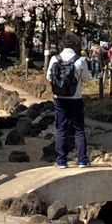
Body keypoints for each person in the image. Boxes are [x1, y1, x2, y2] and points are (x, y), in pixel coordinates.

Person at [46, 34, 92, 169]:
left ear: (63, 45)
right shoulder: (80, 60)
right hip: (75, 98)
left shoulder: (54, 59)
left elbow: (49, 77)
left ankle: (61, 161)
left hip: (59, 99)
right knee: (79, 130)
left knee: (61, 129)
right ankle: (82, 160)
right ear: (76, 45)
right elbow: (86, 79)